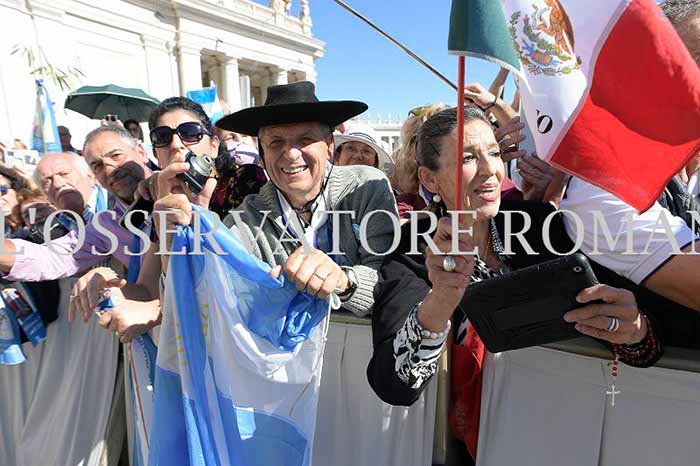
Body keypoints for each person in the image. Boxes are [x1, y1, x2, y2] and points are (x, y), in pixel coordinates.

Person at [365, 107, 700, 464]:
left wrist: (634, 330)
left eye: (494, 153)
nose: (490, 170)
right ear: (429, 180)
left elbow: (641, 335)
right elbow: (393, 384)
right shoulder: (413, 246)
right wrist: (441, 299)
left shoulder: (539, 225)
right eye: (467, 158)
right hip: (473, 445)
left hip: (563, 433)